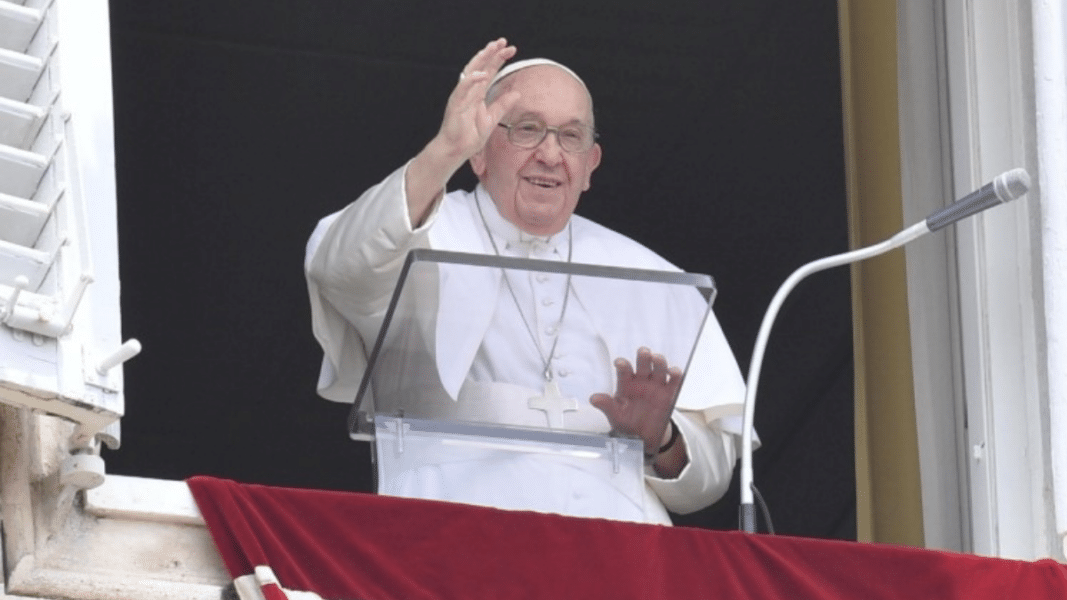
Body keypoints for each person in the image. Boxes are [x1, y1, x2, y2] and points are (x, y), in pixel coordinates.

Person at [305, 39, 747, 525]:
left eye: (571, 136)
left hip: (619, 554)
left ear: (590, 167)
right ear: (479, 153)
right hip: (455, 536)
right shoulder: (423, 230)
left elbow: (713, 477)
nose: (550, 154)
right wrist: (443, 151)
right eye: (527, 130)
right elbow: (341, 267)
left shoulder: (656, 278)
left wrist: (661, 440)